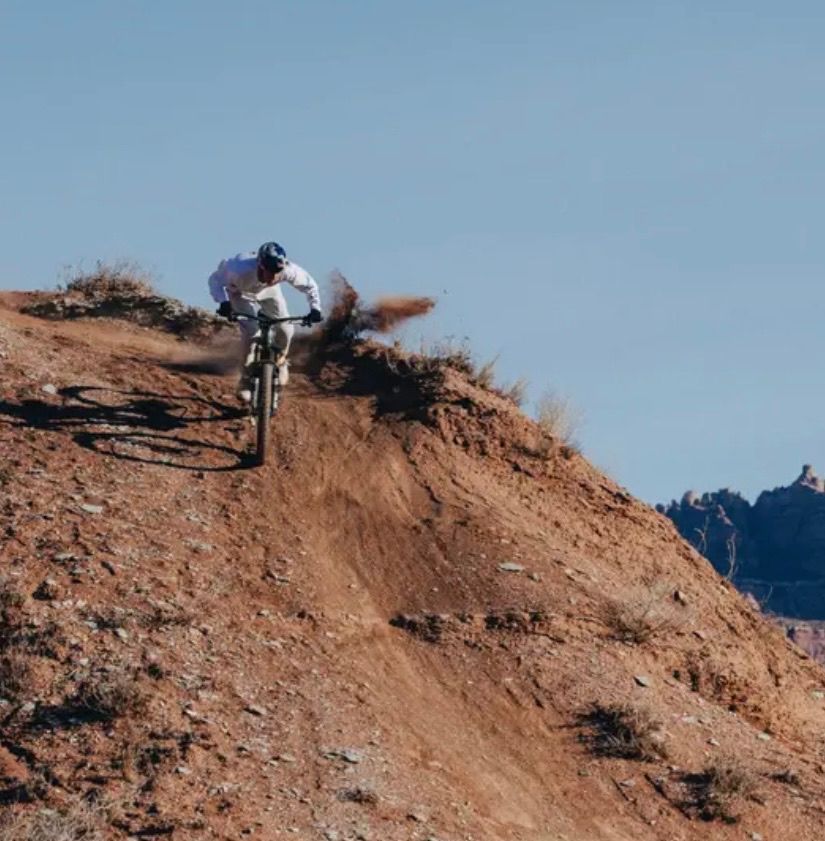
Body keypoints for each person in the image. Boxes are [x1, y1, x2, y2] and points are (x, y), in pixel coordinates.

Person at [208, 242, 322, 400]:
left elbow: (310, 286)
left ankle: (281, 362)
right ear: (260, 266)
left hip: (269, 292)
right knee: (252, 333)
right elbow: (214, 281)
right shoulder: (238, 269)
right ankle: (246, 380)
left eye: (277, 272)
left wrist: (315, 309)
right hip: (239, 294)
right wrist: (223, 302)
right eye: (270, 271)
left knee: (286, 330)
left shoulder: (287, 271)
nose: (274, 276)